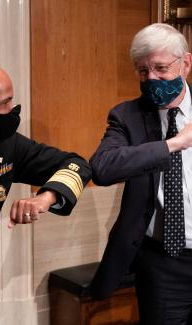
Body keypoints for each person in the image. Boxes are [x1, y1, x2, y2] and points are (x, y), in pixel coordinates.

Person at [0, 57, 91, 325]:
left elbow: (77, 165)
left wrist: (45, 197)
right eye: (4, 103)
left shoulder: (4, 144)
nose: (12, 110)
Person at [90, 23, 192, 325]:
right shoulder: (127, 116)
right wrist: (172, 145)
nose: (152, 79)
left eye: (161, 68)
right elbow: (103, 168)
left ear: (185, 63)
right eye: (143, 71)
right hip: (163, 264)